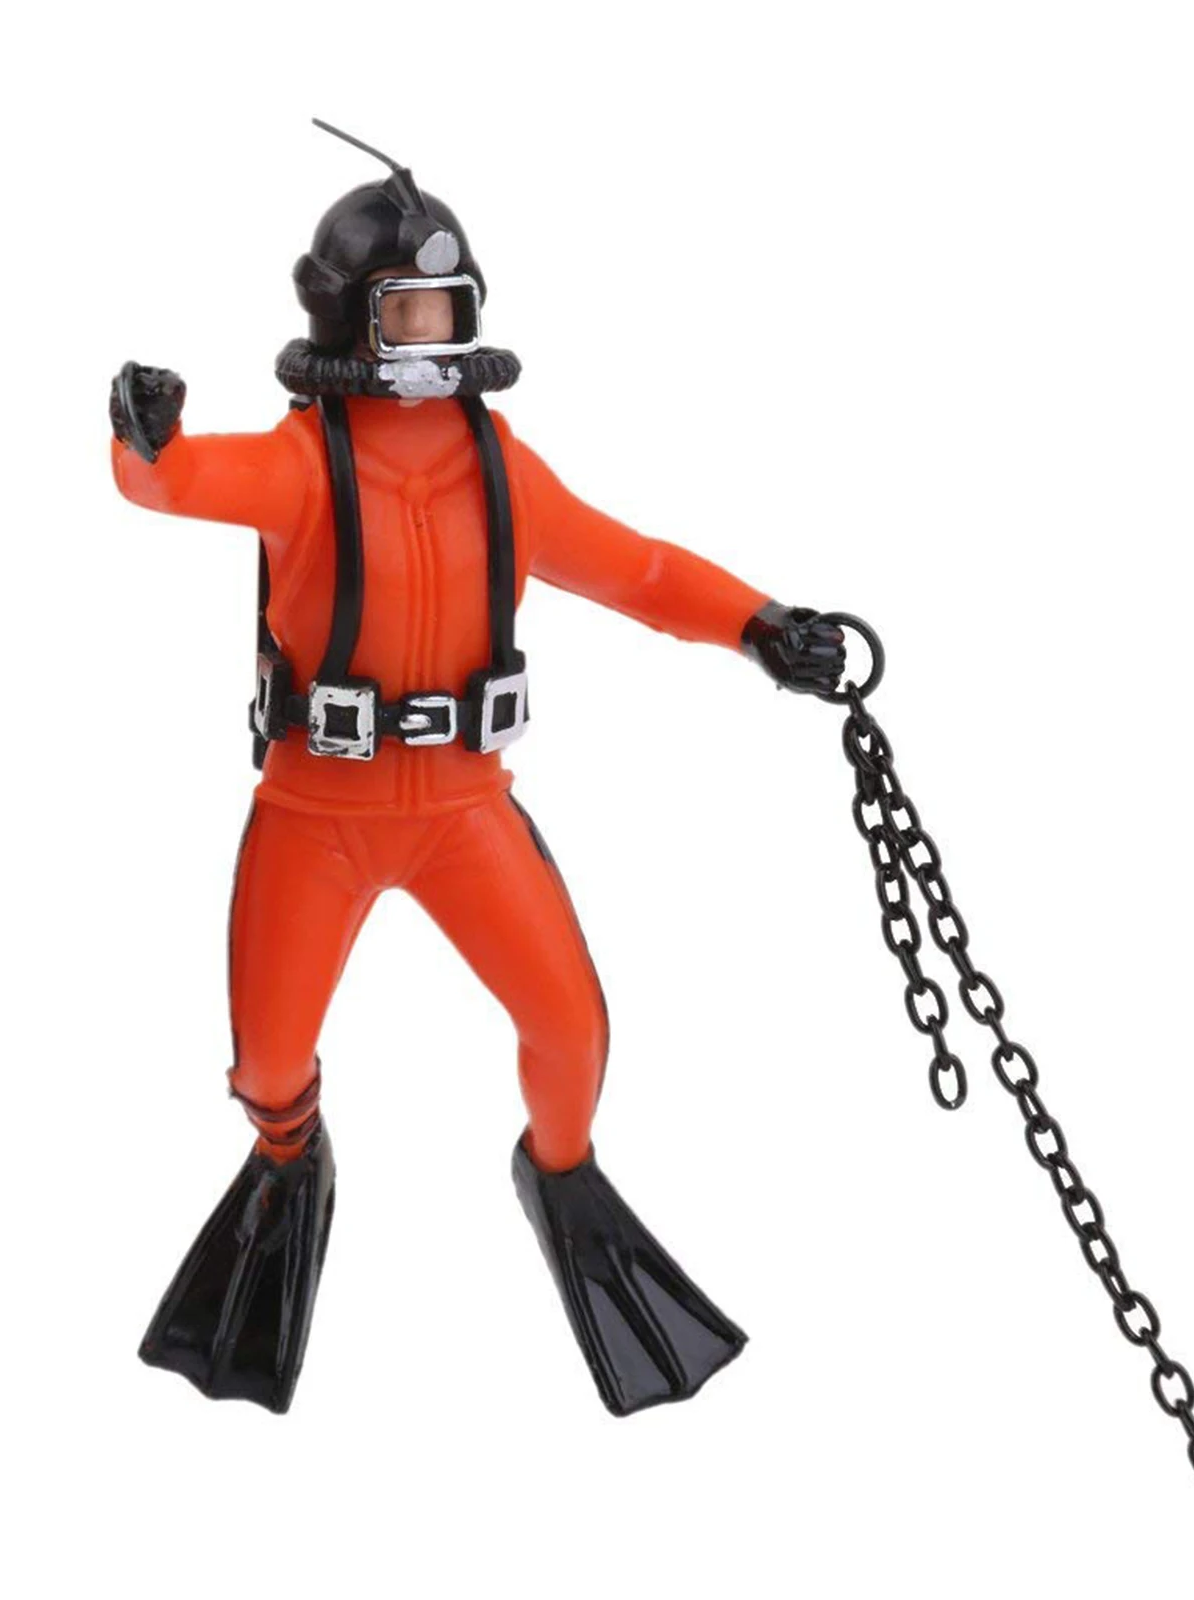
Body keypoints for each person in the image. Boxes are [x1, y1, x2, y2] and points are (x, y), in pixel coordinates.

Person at [109, 121, 846, 1417]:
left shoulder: (503, 469)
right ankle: (290, 1165)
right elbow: (173, 487)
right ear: (352, 316)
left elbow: (639, 570)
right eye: (408, 308)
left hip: (463, 812)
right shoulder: (299, 465)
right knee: (266, 1064)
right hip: (317, 813)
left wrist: (758, 623)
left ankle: (566, 1182)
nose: (433, 331)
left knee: (571, 1028)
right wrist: (144, 436)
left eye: (447, 307)